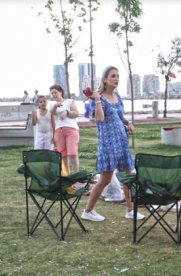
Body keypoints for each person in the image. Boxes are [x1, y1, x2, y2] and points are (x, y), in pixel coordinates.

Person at [82, 66, 143, 222]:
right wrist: (96, 99)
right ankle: (88, 211)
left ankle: (130, 209)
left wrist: (129, 123)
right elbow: (100, 118)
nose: (116, 79)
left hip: (121, 142)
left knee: (128, 177)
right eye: (113, 76)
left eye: (117, 76)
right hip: (108, 144)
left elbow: (119, 115)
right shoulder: (99, 98)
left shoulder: (117, 97)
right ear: (105, 79)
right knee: (105, 180)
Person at [50, 84, 81, 173]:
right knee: (63, 155)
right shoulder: (52, 104)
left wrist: (67, 112)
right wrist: (56, 106)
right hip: (59, 131)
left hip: (71, 129)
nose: (54, 95)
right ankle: (67, 175)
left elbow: (76, 113)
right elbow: (51, 113)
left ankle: (76, 174)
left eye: (55, 92)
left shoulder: (69, 101)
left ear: (60, 92)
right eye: (52, 93)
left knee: (72, 153)